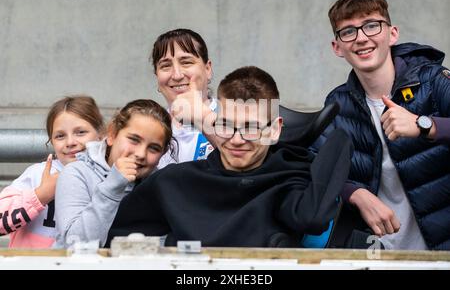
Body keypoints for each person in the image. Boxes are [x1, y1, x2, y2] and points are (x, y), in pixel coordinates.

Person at [107, 66, 352, 247]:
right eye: (226, 125)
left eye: (251, 128)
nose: (236, 139)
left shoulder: (287, 180)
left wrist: (342, 137)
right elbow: (117, 242)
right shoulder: (174, 181)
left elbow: (314, 217)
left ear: (275, 129)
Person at [312, 0, 450, 250]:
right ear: (337, 47)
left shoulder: (432, 82)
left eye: (371, 26)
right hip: (377, 254)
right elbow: (312, 168)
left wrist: (425, 125)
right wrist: (356, 194)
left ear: (393, 33)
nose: (362, 38)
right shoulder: (338, 104)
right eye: (348, 31)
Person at [54, 99, 174, 248]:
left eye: (154, 148)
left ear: (163, 154)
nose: (141, 154)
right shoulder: (76, 174)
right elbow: (74, 245)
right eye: (134, 140)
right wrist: (112, 187)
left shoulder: (160, 187)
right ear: (112, 134)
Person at [0, 96, 104, 248]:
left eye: (80, 132)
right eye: (60, 136)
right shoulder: (38, 174)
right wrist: (41, 195)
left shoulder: (108, 177)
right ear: (51, 141)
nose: (70, 142)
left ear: (102, 136)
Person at [151, 28, 218, 168]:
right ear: (157, 76)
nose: (177, 75)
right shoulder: (149, 126)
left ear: (208, 69)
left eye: (186, 62)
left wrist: (202, 116)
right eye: (165, 65)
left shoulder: (238, 115)